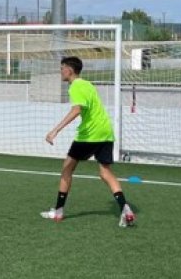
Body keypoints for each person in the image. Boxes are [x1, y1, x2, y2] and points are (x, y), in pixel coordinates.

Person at [42, 56, 135, 227]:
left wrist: (55, 130)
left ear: (69, 70)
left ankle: (58, 211)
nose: (60, 71)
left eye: (62, 68)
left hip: (89, 135)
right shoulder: (87, 84)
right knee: (105, 173)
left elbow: (77, 110)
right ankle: (125, 208)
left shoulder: (75, 87)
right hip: (106, 133)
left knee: (66, 170)